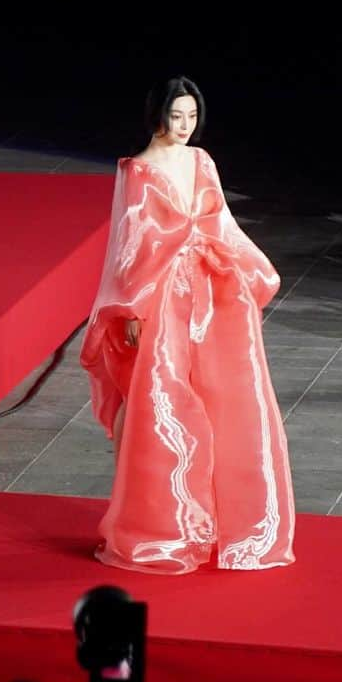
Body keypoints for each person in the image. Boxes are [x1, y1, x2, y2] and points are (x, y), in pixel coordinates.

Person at [79, 76, 296, 575]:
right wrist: (130, 308)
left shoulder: (201, 161)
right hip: (161, 296)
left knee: (227, 397)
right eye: (176, 116)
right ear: (158, 115)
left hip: (211, 288)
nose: (184, 126)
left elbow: (221, 224)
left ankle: (223, 522)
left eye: (191, 117)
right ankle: (163, 527)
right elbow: (128, 241)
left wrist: (247, 271)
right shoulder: (138, 170)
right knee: (163, 403)